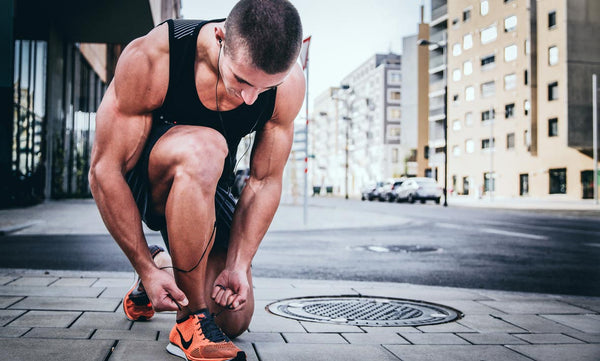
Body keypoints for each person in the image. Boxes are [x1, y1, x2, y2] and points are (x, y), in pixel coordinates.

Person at [88, 0, 304, 359]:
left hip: (209, 184)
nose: (250, 97)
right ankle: (189, 323)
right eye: (242, 80)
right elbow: (104, 170)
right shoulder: (157, 55)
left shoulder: (288, 84)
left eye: (264, 88)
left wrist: (238, 264)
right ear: (220, 38)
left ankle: (164, 267)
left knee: (234, 317)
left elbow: (264, 181)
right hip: (148, 181)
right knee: (206, 146)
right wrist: (138, 261)